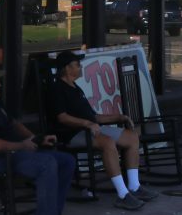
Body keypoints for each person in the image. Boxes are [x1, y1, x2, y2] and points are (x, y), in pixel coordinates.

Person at [50, 50, 156, 211]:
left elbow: (95, 117)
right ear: (67, 68)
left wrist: (119, 117)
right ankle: (122, 195)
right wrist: (87, 123)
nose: (80, 67)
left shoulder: (76, 88)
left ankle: (134, 186)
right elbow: (62, 118)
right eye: (77, 64)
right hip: (72, 133)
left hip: (91, 129)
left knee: (132, 137)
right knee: (108, 142)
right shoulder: (57, 88)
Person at [0, 66, 75, 215]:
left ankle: (52, 211)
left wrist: (36, 139)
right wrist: (22, 145)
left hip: (17, 152)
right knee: (46, 164)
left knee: (67, 161)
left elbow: (14, 123)